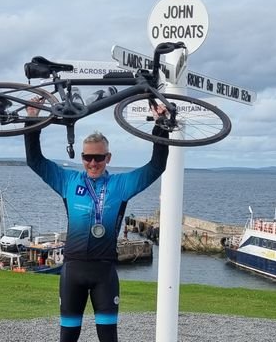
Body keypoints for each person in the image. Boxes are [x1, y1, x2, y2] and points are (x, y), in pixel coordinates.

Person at [25, 104, 169, 342]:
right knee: (68, 337)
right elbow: (35, 161)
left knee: (108, 338)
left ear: (108, 158)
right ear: (81, 157)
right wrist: (32, 120)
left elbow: (156, 166)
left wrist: (160, 125)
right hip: (73, 270)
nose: (93, 163)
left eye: (99, 158)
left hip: (105, 272)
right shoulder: (67, 181)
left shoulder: (121, 186)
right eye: (87, 157)